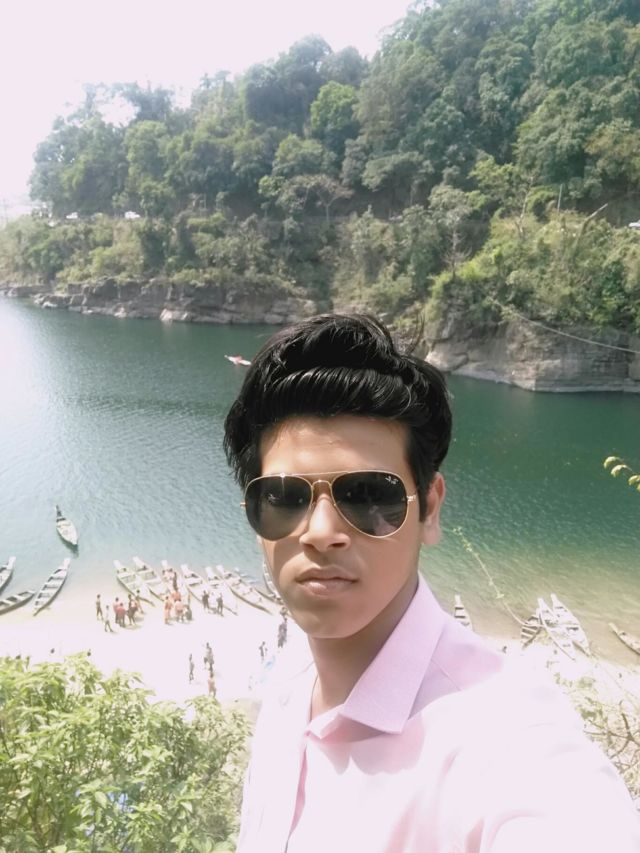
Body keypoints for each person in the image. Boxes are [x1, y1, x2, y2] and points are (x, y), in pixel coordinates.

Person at [223, 313, 640, 853]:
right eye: (284, 497)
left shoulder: (507, 741)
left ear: (430, 508)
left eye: (369, 495)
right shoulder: (288, 689)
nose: (321, 533)